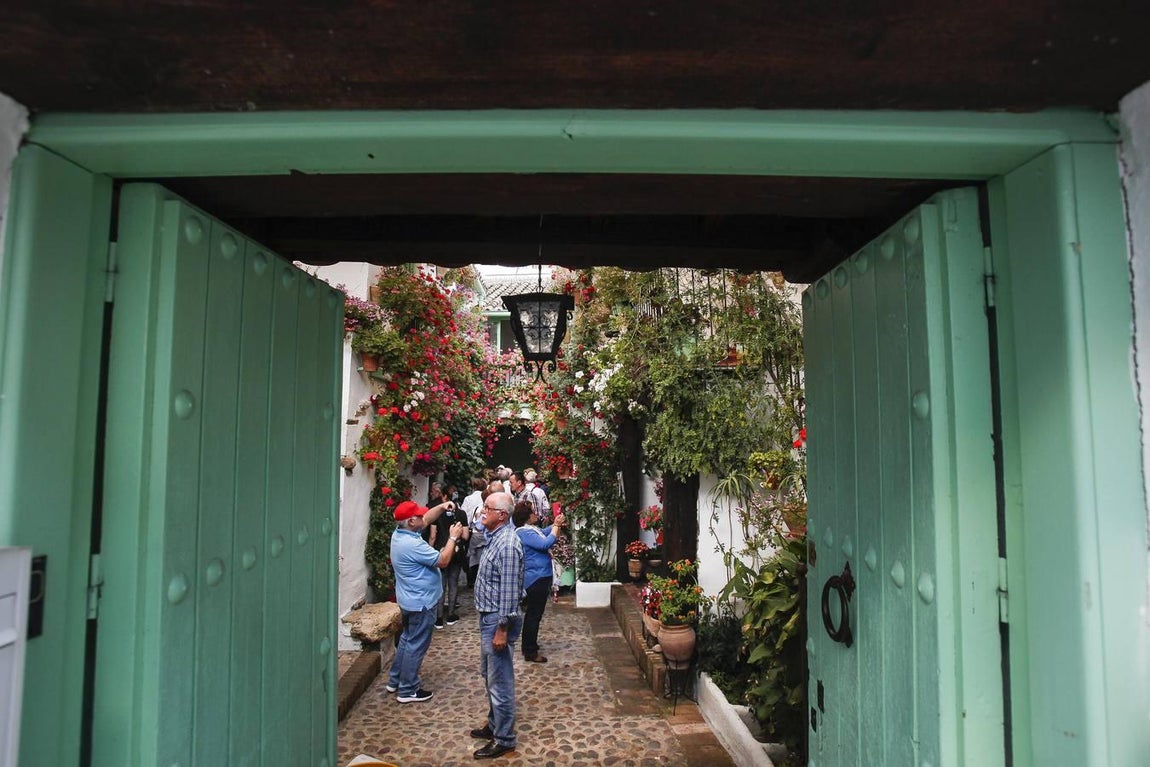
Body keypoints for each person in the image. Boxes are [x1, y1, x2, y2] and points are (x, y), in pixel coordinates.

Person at [386, 498, 464, 703]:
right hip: (422, 603)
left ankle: (395, 680)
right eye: (418, 516)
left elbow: (425, 520)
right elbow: (443, 560)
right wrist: (453, 538)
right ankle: (408, 689)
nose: (423, 517)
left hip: (409, 599)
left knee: (407, 640)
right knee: (416, 645)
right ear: (411, 522)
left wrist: (440, 507)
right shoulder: (412, 544)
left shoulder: (400, 534)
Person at [469, 491, 524, 759]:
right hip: (489, 618)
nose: (482, 512)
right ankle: (494, 725)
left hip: (497, 620)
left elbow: (510, 592)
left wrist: (502, 627)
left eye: (487, 509)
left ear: (501, 515)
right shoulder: (496, 537)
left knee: (499, 681)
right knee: (488, 674)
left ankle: (504, 739)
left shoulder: (508, 544)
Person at [512, 500, 565, 663]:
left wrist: (556, 525)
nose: (536, 514)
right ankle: (530, 650)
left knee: (535, 614)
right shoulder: (524, 532)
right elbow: (545, 543)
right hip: (536, 577)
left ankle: (530, 646)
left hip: (540, 576)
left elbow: (544, 532)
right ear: (527, 517)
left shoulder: (530, 530)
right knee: (534, 615)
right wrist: (556, 525)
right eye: (533, 512)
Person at [431, 496, 469, 627]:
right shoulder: (461, 514)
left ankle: (439, 617)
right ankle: (451, 615)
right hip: (455, 552)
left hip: (440, 551)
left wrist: (431, 550)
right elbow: (465, 535)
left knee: (440, 585)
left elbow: (432, 535)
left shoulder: (437, 514)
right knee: (453, 584)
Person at [459, 477, 486, 586]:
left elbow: (464, 514)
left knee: (470, 554)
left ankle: (471, 579)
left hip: (471, 530)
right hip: (483, 530)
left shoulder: (468, 499)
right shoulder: (485, 497)